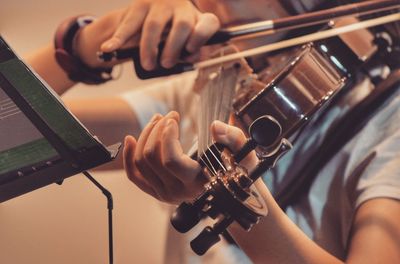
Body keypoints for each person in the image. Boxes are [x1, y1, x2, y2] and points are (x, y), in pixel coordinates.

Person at [25, 0, 400, 263]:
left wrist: (247, 212)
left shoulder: (389, 123)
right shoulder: (219, 89)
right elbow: (11, 137)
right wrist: (83, 47)